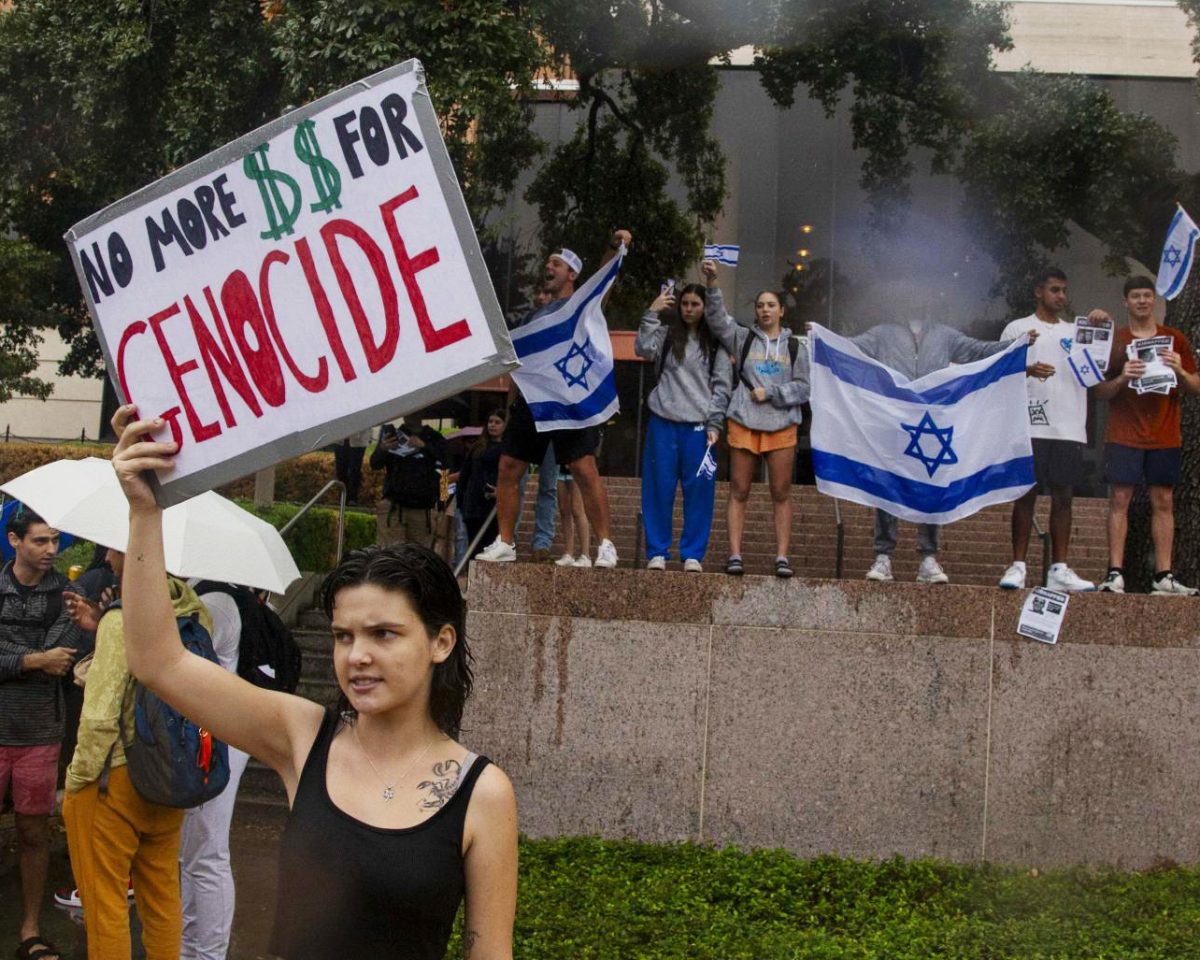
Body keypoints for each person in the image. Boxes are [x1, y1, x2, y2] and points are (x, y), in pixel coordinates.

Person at [108, 404, 518, 959]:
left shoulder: (483, 792)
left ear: (440, 643)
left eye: (385, 634)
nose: (358, 656)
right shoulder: (302, 736)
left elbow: (490, 951)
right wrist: (144, 512)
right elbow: (158, 661)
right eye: (345, 636)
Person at [61, 547, 205, 960]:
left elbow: (101, 714)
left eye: (114, 547)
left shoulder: (122, 618)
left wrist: (76, 781)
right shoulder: (192, 612)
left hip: (115, 778)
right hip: (170, 774)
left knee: (104, 904)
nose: (107, 557)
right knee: (161, 900)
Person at [476, 232, 632, 568]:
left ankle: (606, 544)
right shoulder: (533, 318)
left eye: (556, 263)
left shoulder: (584, 307)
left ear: (572, 274)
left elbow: (604, 277)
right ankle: (505, 541)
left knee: (583, 468)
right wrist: (511, 402)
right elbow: (521, 367)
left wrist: (613, 246)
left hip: (569, 402)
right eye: (548, 262)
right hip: (532, 405)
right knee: (508, 466)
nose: (548, 266)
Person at [847, 310, 1011, 584]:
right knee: (889, 487)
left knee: (932, 489)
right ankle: (883, 556)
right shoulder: (882, 332)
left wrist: (1014, 345)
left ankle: (928, 558)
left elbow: (978, 351)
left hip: (931, 423)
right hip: (893, 421)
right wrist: (819, 337)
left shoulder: (945, 335)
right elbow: (850, 347)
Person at [0, 507, 79, 960]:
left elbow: (62, 659)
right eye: (40, 541)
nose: (51, 550)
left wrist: (13, 656)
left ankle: (29, 929)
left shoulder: (65, 597)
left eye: (54, 541)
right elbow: (44, 660)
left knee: (34, 833)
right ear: (15, 540)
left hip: (40, 732)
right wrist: (32, 660)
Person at [999, 268, 1107, 592]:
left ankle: (1058, 568)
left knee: (1064, 497)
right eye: (1054, 290)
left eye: (1064, 291)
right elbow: (999, 371)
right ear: (1038, 292)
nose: (1061, 296)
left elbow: (1098, 368)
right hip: (1030, 422)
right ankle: (1018, 565)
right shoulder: (1018, 328)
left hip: (1068, 424)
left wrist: (1100, 325)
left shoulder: (1077, 330)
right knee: (1026, 494)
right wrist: (1026, 367)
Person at [1091, 275, 1200, 594]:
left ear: (1155, 301)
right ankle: (1115, 572)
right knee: (1119, 499)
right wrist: (1123, 377)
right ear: (1125, 302)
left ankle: (1163, 574)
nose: (1142, 301)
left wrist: (1180, 370)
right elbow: (1098, 391)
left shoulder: (1174, 339)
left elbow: (1196, 386)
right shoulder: (1117, 340)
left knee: (1163, 501)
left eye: (1147, 295)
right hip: (1123, 433)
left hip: (1164, 433)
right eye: (1135, 296)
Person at [701, 260, 808, 578]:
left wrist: (773, 393)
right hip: (744, 420)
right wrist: (713, 283)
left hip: (781, 423)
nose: (764, 310)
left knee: (781, 491)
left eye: (771, 305)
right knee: (739, 489)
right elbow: (718, 321)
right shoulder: (744, 338)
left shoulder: (793, 346)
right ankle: (735, 554)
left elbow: (805, 388)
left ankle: (782, 557)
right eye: (760, 305)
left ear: (781, 311)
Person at [636, 282, 730, 572]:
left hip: (700, 428)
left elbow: (722, 387)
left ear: (704, 308)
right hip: (663, 422)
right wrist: (651, 312)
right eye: (685, 303)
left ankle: (692, 554)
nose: (688, 309)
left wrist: (715, 422)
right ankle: (657, 551)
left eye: (695, 304)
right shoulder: (666, 335)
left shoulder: (716, 342)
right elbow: (641, 348)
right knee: (657, 489)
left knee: (700, 492)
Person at [370, 415, 449, 549]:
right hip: (394, 506)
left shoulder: (435, 438)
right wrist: (383, 449)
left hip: (423, 509)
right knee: (390, 556)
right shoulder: (393, 435)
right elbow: (375, 464)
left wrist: (442, 504)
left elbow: (446, 468)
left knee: (419, 558)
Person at [458, 409, 508, 562]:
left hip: (492, 506)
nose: (492, 425)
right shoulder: (475, 449)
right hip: (470, 505)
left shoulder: (507, 450)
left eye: (497, 422)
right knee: (467, 543)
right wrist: (445, 499)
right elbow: (455, 476)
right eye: (490, 422)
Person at [553, 467, 591, 567]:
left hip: (576, 468)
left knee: (577, 509)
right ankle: (568, 553)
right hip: (560, 468)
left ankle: (585, 555)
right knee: (564, 510)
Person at [333, 427, 373, 506]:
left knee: (354, 469)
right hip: (340, 438)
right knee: (340, 470)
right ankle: (343, 496)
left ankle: (353, 498)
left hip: (358, 440)